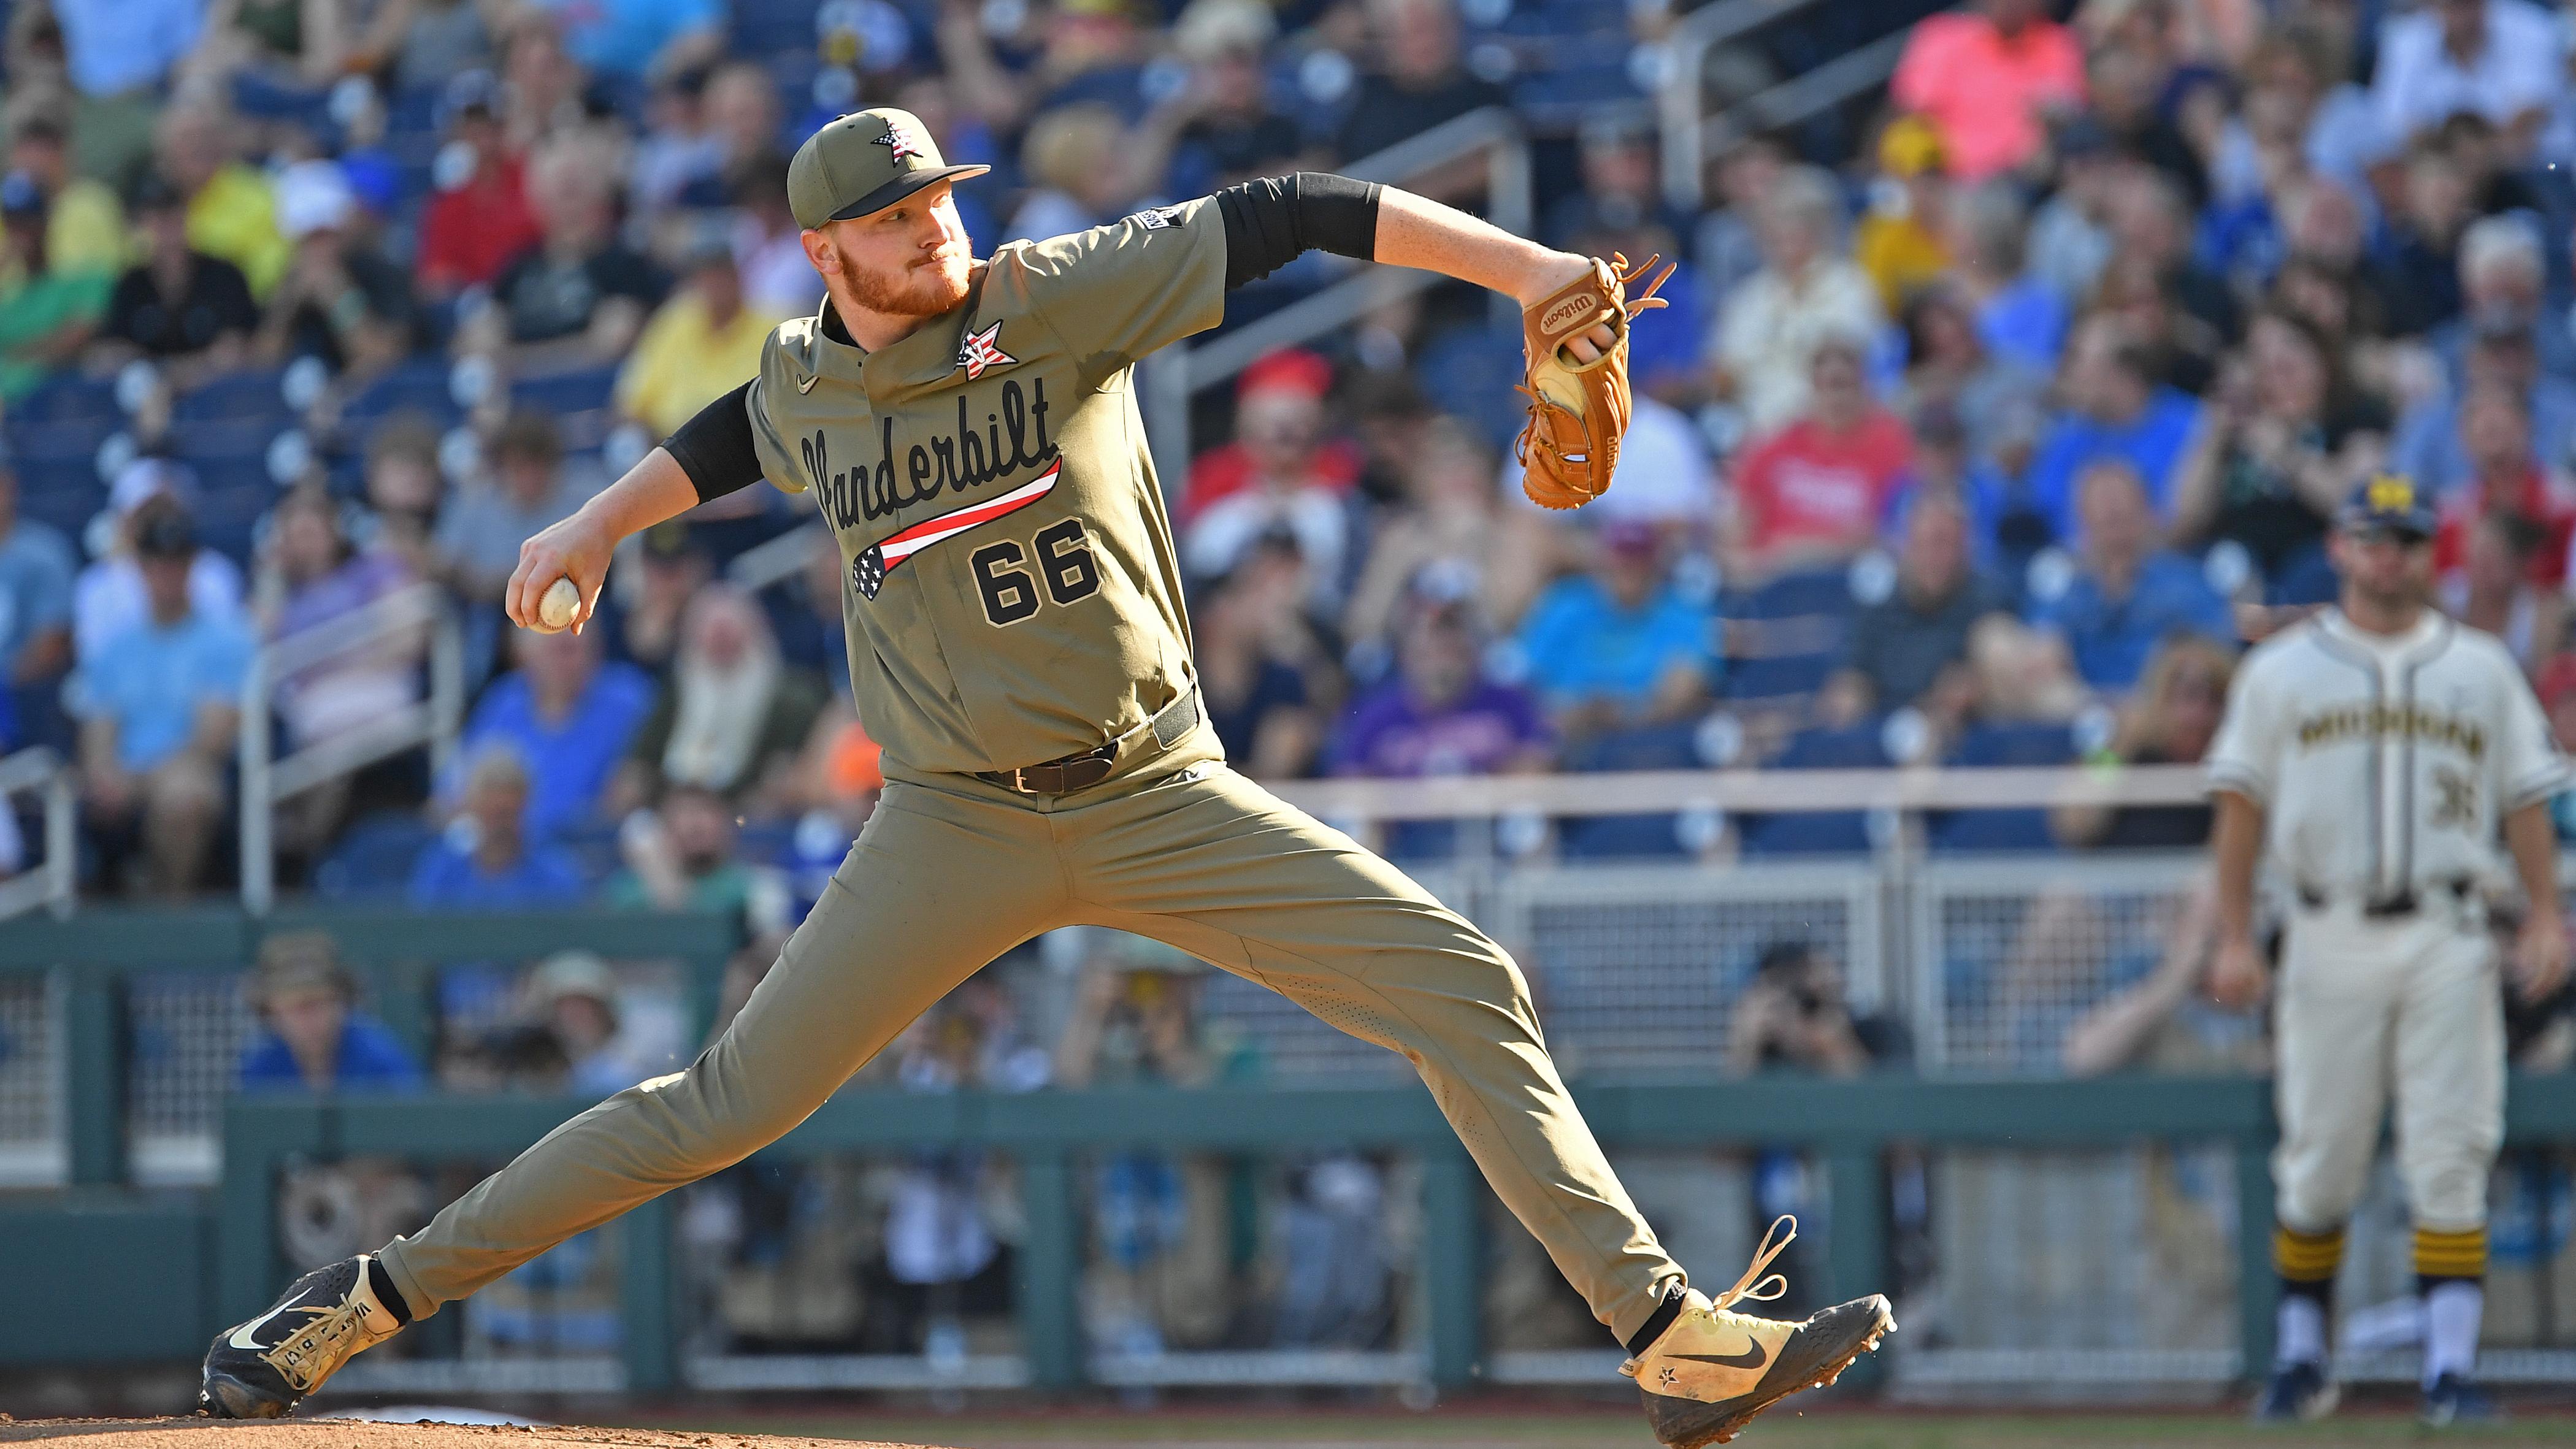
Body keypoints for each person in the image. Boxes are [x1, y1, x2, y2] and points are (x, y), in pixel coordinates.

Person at [203, 109, 1892, 1447]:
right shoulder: (810, 380)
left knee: (1462, 981)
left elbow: (1296, 209)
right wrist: (590, 520)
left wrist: (1533, 273)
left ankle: (1669, 1338)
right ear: (823, 250)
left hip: (1159, 788)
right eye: (895, 214)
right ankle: (363, 1298)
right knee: (722, 1105)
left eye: (941, 196)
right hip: (948, 819)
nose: (934, 225)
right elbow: (736, 431)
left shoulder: (1054, 295)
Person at [2210, 474, 2569, 1426]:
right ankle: (2299, 1358)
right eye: (2374, 538)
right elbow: (2239, 802)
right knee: (2321, 1155)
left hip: (2449, 926)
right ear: (2340, 546)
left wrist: (2544, 913)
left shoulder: (2480, 664)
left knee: (2452, 1150)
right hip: (2327, 925)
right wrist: (2236, 931)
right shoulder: (2283, 669)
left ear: (2428, 551)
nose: (2390, 556)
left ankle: (2449, 1369)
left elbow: (2526, 794)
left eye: (2408, 539)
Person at [65, 502, 251, 897]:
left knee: (184, 795)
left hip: (188, 768)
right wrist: (103, 774)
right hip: (126, 773)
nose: (168, 574)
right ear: (141, 568)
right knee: (68, 790)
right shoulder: (116, 647)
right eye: (157, 563)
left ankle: (166, 913)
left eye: (178, 563)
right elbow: (99, 727)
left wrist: (136, 782)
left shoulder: (228, 638)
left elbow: (212, 739)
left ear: (192, 567)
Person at [617, 584, 827, 813]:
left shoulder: (793, 699)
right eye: (712, 632)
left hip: (751, 817)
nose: (720, 642)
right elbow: (644, 761)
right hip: (674, 809)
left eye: (729, 631)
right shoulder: (676, 692)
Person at [2028, 459, 2235, 692]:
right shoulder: (2070, 590)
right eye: (2103, 518)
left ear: (2148, 515)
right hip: (2084, 710)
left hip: (2162, 710)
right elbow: (2040, 644)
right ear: (2083, 525)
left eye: (2120, 515)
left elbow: (2219, 655)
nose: (2110, 513)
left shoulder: (2185, 583)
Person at [1709, 166, 1882, 435]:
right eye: (1775, 232)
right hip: (1757, 433)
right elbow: (1725, 373)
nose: (1785, 243)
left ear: (1820, 231)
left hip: (1833, 430)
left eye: (1796, 230)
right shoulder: (1748, 298)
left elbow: (1852, 361)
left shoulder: (1850, 286)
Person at [1725, 336, 1915, 579]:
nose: (1836, 399)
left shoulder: (1892, 446)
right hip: (1775, 582)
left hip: (1851, 577)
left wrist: (1794, 552)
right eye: (1826, 387)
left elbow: (1886, 533)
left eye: (1844, 385)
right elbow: (1741, 519)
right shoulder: (1778, 444)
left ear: (1864, 387)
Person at [1516, 521, 1717, 749]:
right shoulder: (1566, 606)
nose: (1628, 571)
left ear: (1655, 567)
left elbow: (1687, 684)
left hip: (1651, 737)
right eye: (1619, 562)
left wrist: (1623, 713)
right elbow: (1525, 676)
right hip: (1564, 735)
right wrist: (1569, 713)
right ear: (1601, 564)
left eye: (1637, 563)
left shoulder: (1682, 612)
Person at [450, 625, 654, 843]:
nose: (563, 662)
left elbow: (640, 784)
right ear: (525, 655)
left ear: (596, 651)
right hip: (508, 845)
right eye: (553, 649)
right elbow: (455, 788)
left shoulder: (629, 700)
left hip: (590, 844)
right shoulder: (505, 700)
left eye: (571, 649)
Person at [1826, 496, 2012, 723]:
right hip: (1883, 724)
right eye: (1926, 543)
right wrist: (1849, 694)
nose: (1936, 558)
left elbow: (1998, 675)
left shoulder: (1987, 600)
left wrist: (1974, 685)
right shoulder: (1877, 601)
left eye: (1947, 544)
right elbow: (1852, 672)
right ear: (1905, 545)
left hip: (1959, 732)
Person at [2020, 315, 2204, 543]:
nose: (2064, 374)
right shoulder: (2068, 437)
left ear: (2123, 370)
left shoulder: (2193, 427)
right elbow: (2047, 522)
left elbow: (2184, 525)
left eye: (2076, 359)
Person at [2050, 635, 2233, 851]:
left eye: (2213, 699)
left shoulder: (2231, 769)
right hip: (2116, 876)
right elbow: (2075, 824)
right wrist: (2118, 749)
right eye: (2187, 695)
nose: (2197, 714)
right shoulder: (2126, 752)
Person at [1888, 0, 2085, 182]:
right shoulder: (1943, 38)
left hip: (2029, 182)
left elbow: (2072, 109)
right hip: (1948, 181)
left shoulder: (2060, 44)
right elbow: (1905, 115)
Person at [614, 232, 779, 440]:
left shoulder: (775, 327)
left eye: (722, 272)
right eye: (706, 274)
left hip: (752, 449)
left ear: (739, 275)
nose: (715, 282)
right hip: (673, 451)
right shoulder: (673, 322)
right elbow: (629, 404)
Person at [98, 174, 259, 383]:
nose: (166, 227)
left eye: (173, 214)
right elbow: (107, 353)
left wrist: (175, 375)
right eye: (156, 217)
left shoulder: (224, 276)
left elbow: (241, 348)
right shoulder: (132, 284)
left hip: (218, 397)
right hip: (147, 393)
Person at [236, 930, 424, 1094]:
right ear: (271, 1012)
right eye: (296, 1008)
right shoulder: (262, 1067)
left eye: (321, 1003)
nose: (310, 1019)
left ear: (342, 1001)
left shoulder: (380, 1060)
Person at [407, 744, 588, 907]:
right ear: (472, 808)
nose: (501, 826)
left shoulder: (554, 874)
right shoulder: (442, 869)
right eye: (492, 814)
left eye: (508, 814)